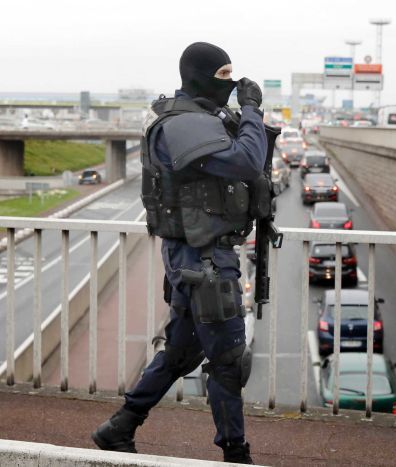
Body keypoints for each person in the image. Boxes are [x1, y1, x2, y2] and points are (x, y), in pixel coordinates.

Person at [91, 41, 267, 464]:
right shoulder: (184, 124)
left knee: (180, 351)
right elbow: (247, 160)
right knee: (227, 360)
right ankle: (236, 453)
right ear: (198, 75)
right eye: (223, 75)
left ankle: (119, 427)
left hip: (197, 256)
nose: (231, 83)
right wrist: (253, 112)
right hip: (203, 259)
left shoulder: (195, 118)